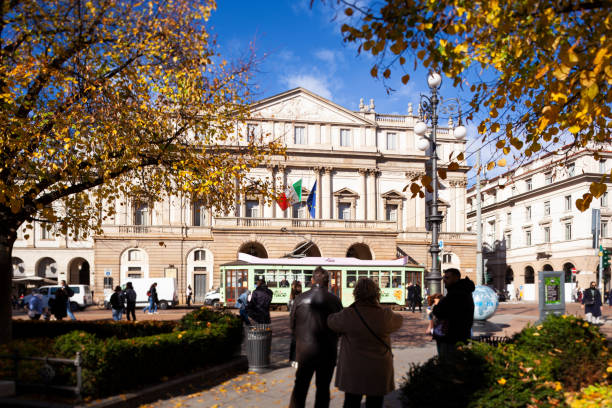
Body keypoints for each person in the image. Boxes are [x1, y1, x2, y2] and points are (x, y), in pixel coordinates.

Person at [328, 277, 403, 408]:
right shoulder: (385, 315)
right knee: (375, 403)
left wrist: (352, 307)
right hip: (378, 369)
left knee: (351, 402)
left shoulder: (348, 314)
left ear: (356, 294)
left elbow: (330, 321)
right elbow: (399, 320)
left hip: (353, 369)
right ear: (376, 294)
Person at [289, 267, 342, 408]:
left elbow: (292, 325)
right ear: (328, 282)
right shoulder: (335, 300)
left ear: (312, 280)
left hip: (305, 351)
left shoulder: (300, 298)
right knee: (323, 389)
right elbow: (340, 327)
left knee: (300, 387)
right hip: (328, 351)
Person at [432, 269, 475, 359]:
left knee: (448, 364)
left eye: (447, 277)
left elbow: (441, 312)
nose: (444, 280)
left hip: (451, 338)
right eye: (444, 277)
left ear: (455, 278)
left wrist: (437, 305)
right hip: (460, 336)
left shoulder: (457, 293)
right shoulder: (463, 291)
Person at [288, 281, 303, 368]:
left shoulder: (291, 300)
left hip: (294, 323)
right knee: (299, 342)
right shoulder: (301, 299)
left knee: (293, 342)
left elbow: (290, 311)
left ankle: (292, 360)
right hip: (300, 323)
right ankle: (297, 360)